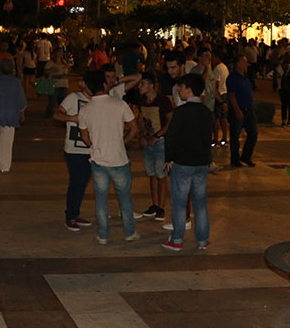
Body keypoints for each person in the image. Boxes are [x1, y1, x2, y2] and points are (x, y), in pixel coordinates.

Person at [78, 69, 140, 244]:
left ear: (89, 88)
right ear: (105, 84)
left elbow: (84, 136)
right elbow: (134, 128)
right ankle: (130, 232)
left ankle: (103, 235)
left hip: (98, 160)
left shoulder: (85, 110)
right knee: (125, 198)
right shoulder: (119, 104)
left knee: (101, 199)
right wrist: (123, 142)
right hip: (119, 159)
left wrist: (95, 146)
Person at [162, 73, 213, 251]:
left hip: (183, 163)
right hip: (201, 163)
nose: (179, 90)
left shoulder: (181, 111)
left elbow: (171, 137)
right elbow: (208, 138)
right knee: (200, 203)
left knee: (179, 203)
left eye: (181, 87)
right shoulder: (206, 112)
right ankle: (203, 240)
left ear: (189, 89)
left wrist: (168, 158)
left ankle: (177, 240)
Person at [53, 70, 94, 231]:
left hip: (90, 148)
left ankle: (75, 213)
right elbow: (57, 114)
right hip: (74, 149)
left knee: (83, 183)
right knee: (76, 182)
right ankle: (70, 216)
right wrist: (73, 118)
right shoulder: (73, 98)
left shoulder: (97, 101)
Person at [134, 73, 173, 222]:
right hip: (148, 141)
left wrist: (158, 135)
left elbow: (171, 120)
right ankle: (155, 204)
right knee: (151, 174)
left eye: (142, 84)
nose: (140, 87)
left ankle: (161, 207)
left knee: (161, 175)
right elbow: (140, 118)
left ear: (151, 86)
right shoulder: (143, 101)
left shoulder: (163, 101)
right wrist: (143, 134)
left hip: (160, 141)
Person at [0, 57, 27, 173]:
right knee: (6, 141)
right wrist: (21, 112)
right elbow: (21, 100)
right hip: (10, 115)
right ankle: (4, 166)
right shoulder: (16, 82)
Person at [227, 55, 258, 168]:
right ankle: (235, 158)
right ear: (238, 64)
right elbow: (231, 95)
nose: (246, 64)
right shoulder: (233, 78)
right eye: (244, 62)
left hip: (249, 110)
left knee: (253, 134)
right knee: (235, 136)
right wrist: (237, 110)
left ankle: (246, 157)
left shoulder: (245, 77)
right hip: (239, 110)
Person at [274, 54, 290, 126]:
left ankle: (283, 120)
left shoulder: (280, 67)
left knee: (284, 104)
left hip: (282, 88)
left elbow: (277, 78)